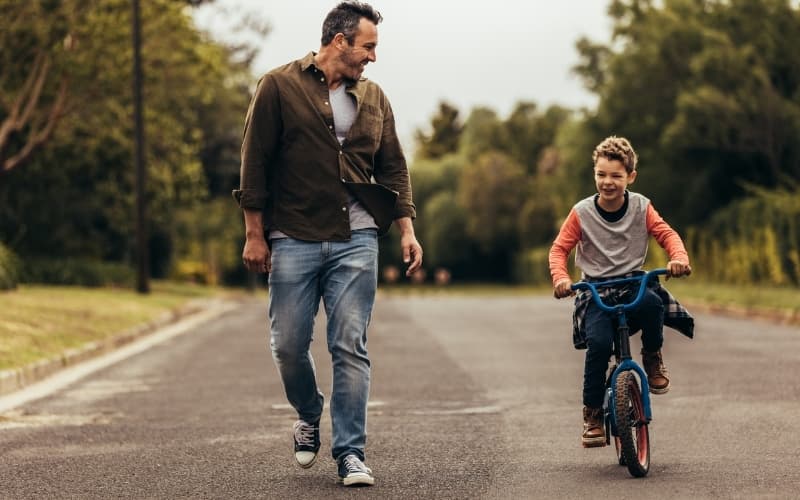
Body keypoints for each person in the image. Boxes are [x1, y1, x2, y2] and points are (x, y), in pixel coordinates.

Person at [233, 1, 422, 486]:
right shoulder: (278, 86)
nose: (373, 58)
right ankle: (308, 411)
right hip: (292, 235)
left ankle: (351, 453)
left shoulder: (375, 96)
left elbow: (394, 166)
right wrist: (255, 234)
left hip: (357, 238)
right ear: (340, 41)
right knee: (288, 345)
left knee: (349, 345)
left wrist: (406, 229)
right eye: (369, 46)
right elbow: (254, 162)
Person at [548, 136, 694, 448]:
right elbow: (559, 250)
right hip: (595, 288)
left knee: (653, 305)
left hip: (631, 282)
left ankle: (652, 357)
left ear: (630, 176)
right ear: (594, 174)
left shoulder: (641, 206)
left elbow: (665, 233)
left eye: (616, 175)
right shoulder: (582, 212)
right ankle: (592, 413)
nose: (607, 182)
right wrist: (561, 279)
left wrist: (678, 257)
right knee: (599, 345)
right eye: (601, 174)